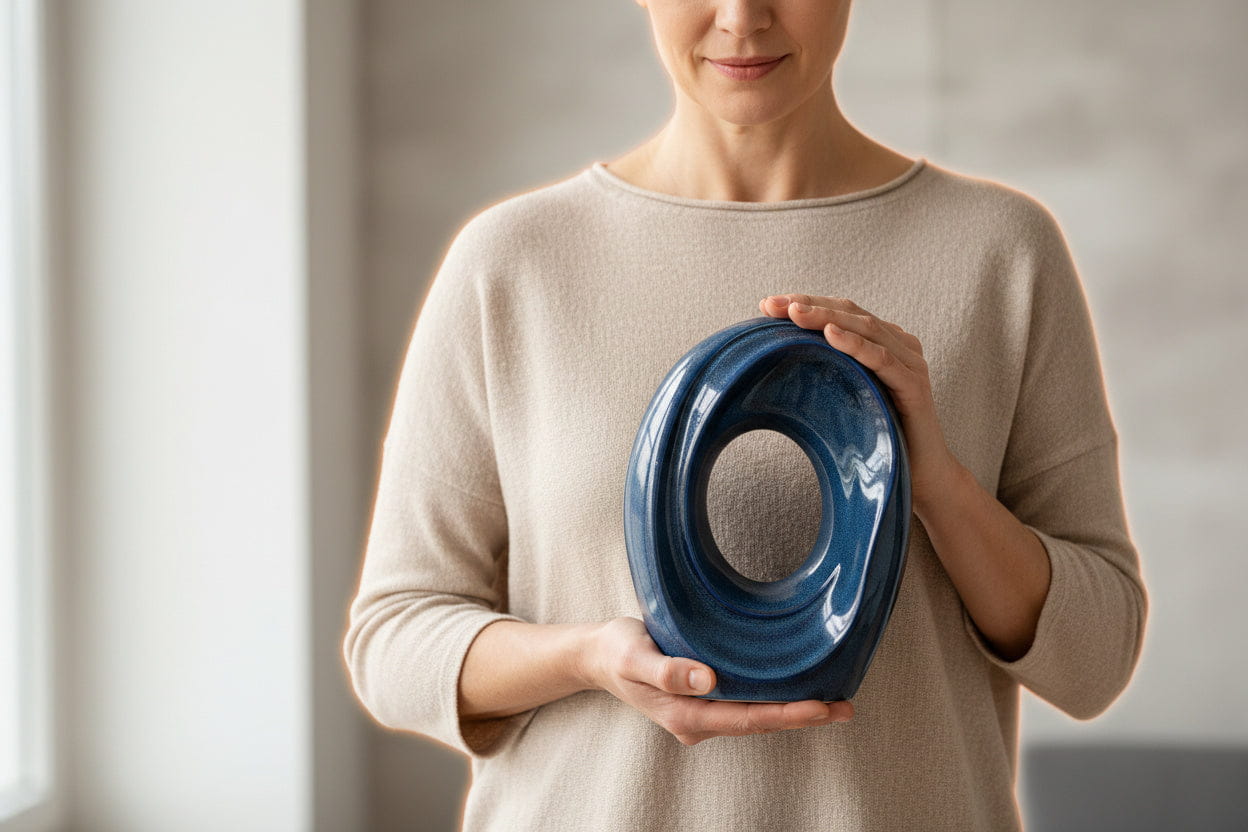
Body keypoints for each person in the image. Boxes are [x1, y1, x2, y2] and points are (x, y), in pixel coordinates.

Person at [342, 0, 1149, 829]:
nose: (741, 16)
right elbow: (394, 643)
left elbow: (1097, 658)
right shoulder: (512, 262)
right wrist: (586, 659)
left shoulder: (1000, 251)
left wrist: (937, 482)